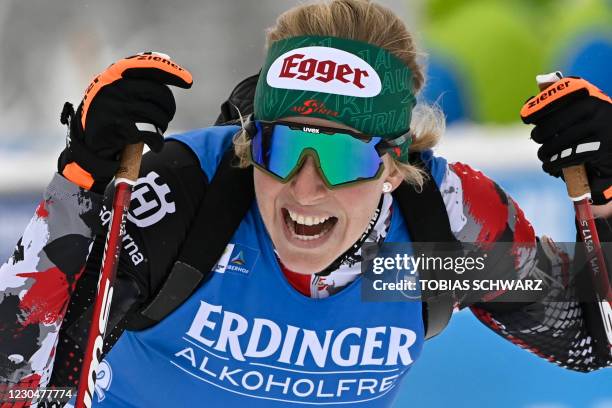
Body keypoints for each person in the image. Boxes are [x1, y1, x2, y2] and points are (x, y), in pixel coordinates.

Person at [1, 0, 611, 407]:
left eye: (344, 159)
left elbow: (591, 335)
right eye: (283, 146)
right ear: (250, 142)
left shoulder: (422, 245)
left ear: (395, 167)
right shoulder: (185, 202)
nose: (305, 188)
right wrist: (80, 185)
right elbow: (16, 374)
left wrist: (606, 199)